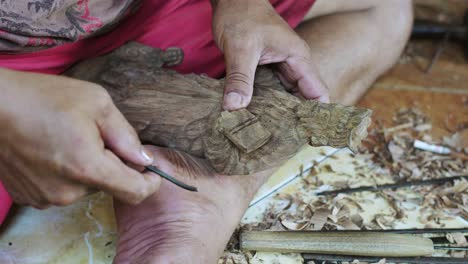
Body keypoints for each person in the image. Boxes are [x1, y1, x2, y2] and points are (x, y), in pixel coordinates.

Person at [0, 0, 412, 263]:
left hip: (145, 16)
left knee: (384, 8)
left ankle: (218, 187)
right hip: (11, 70)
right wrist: (9, 107)